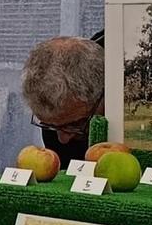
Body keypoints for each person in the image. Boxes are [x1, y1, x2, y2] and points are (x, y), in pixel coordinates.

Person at [22, 34, 106, 165]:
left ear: (104, 96)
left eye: (75, 124)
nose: (63, 140)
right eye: (50, 125)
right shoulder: (55, 127)